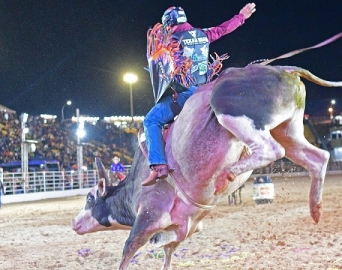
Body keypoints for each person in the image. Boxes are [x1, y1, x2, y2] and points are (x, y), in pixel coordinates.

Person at [142, 3, 256, 186]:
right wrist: (241, 16)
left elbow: (163, 72)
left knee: (151, 121)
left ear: (168, 23)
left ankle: (159, 166)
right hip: (206, 89)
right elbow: (224, 29)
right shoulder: (203, 34)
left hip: (186, 94)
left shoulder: (171, 40)